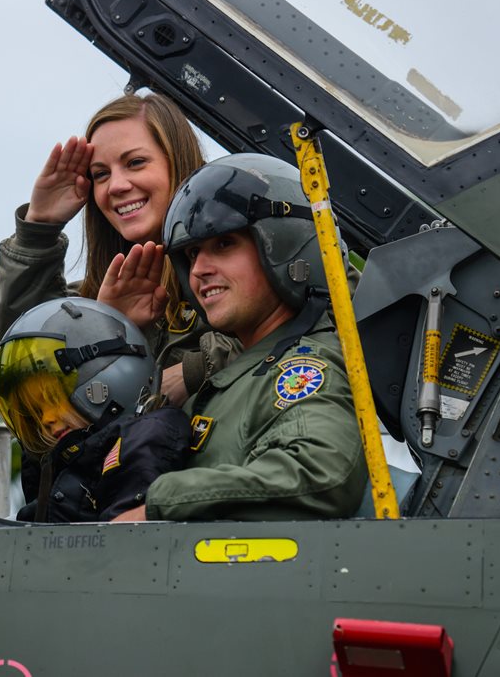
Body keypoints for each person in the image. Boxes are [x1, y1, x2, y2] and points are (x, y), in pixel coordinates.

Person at [110, 153, 369, 522]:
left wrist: (159, 506)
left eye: (224, 244)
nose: (199, 270)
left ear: (284, 243)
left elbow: (319, 472)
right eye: (192, 254)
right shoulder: (246, 370)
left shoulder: (300, 368)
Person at [0, 93, 240, 406]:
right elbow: (19, 356)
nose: (116, 186)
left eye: (135, 163)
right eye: (101, 174)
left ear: (178, 162)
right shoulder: (95, 300)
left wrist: (195, 370)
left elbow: (283, 337)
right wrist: (39, 229)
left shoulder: (243, 271)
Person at [0, 297, 191, 522]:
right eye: (37, 413)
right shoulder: (64, 464)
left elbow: (121, 535)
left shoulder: (145, 437)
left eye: (53, 400)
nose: (45, 420)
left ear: (105, 384)